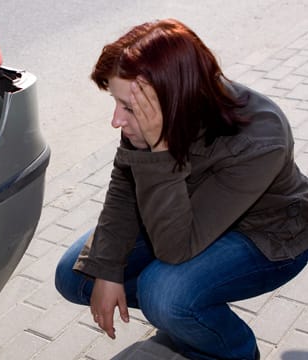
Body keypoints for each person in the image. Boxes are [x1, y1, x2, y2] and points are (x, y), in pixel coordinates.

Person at [54, 18, 308, 360]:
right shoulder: (151, 111)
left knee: (165, 293)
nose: (116, 119)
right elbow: (123, 188)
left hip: (267, 235)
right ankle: (189, 319)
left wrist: (160, 148)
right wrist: (110, 269)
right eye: (116, 102)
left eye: (126, 107)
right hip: (179, 215)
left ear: (174, 98)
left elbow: (175, 247)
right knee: (77, 276)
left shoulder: (261, 137)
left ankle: (232, 349)